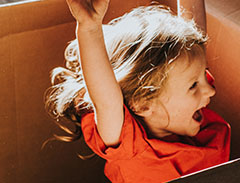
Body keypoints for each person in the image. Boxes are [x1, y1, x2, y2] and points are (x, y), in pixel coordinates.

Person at [44, 0, 230, 182]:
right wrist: (90, 27)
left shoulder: (185, 110)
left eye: (202, 77)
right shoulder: (131, 146)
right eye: (193, 85)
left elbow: (195, 37)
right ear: (143, 103)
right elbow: (107, 101)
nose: (210, 90)